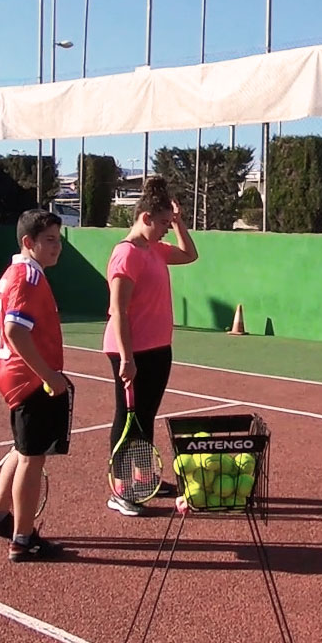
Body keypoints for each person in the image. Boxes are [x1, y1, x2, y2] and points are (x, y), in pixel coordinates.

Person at [103, 175, 199, 516]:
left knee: (145, 417)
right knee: (127, 418)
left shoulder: (154, 249)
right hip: (131, 351)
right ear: (144, 218)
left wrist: (179, 223)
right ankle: (120, 489)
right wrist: (127, 358)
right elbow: (119, 310)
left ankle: (144, 480)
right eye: (161, 224)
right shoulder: (126, 255)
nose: (164, 230)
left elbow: (190, 254)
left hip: (159, 348)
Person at [0, 208, 70, 562]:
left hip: (14, 375)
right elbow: (16, 330)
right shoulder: (28, 278)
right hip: (29, 379)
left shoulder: (14, 273)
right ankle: (23, 539)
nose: (56, 247)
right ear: (27, 242)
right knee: (33, 459)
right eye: (49, 240)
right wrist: (49, 376)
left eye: (59, 240)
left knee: (21, 449)